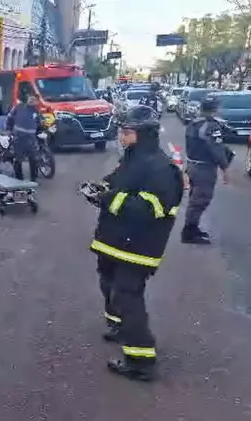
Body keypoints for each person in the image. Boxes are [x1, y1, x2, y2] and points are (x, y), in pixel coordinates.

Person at [88, 105, 184, 381]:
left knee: (127, 296)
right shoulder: (133, 159)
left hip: (138, 248)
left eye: (127, 132)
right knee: (108, 284)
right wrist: (99, 188)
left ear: (143, 134)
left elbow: (151, 208)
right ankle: (119, 327)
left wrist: (108, 200)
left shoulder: (162, 168)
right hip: (114, 241)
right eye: (121, 131)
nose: (121, 136)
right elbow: (118, 183)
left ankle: (141, 360)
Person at [182, 96, 232, 244]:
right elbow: (216, 148)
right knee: (200, 200)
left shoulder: (194, 123)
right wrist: (225, 168)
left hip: (192, 165)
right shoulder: (211, 126)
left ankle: (191, 228)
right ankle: (190, 232)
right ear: (215, 109)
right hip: (204, 168)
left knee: (195, 199)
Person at [6, 94, 41, 182]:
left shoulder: (36, 112)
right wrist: (9, 129)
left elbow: (39, 123)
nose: (31, 101)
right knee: (18, 160)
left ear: (37, 102)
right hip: (19, 138)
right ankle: (19, 180)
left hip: (30, 140)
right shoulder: (19, 107)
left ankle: (33, 179)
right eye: (30, 99)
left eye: (34, 100)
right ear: (27, 99)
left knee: (34, 159)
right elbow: (9, 117)